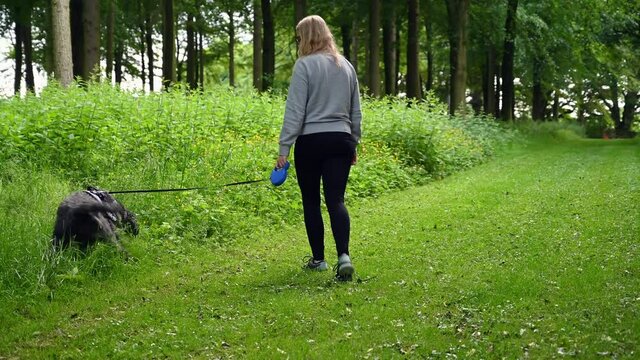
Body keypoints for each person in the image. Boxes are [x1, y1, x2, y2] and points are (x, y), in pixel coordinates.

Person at [276, 15, 362, 281]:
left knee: (311, 200)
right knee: (335, 200)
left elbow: (295, 111)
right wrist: (354, 141)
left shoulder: (304, 66)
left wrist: (284, 149)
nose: (298, 41)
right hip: (340, 140)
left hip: (311, 142)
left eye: (300, 36)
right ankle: (344, 256)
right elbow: (355, 111)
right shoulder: (346, 66)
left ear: (308, 36)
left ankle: (318, 259)